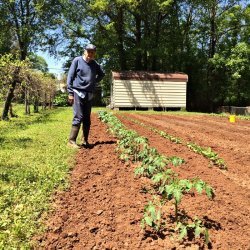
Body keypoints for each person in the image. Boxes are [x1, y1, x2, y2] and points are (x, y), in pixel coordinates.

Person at [67, 44, 105, 148]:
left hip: (89, 93)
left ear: (95, 54)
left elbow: (102, 74)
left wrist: (94, 81)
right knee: (79, 116)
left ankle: (85, 141)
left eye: (92, 52)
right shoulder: (77, 60)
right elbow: (70, 77)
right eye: (88, 51)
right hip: (77, 92)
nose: (90, 54)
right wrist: (70, 93)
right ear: (85, 51)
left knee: (87, 118)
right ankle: (71, 141)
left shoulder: (95, 64)